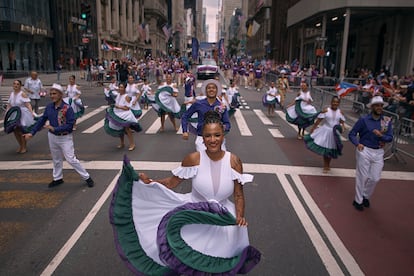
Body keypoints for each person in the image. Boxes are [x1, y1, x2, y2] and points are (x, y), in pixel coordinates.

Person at [110, 110, 261, 275]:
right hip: (194, 221)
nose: (212, 140)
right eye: (208, 136)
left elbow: (238, 194)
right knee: (193, 265)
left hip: (224, 222)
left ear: (223, 135)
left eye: (217, 135)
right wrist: (150, 182)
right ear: (202, 137)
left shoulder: (234, 161)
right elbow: (172, 182)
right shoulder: (193, 159)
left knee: (221, 265)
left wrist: (239, 216)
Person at [23, 83, 94, 188]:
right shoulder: (49, 107)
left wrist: (55, 128)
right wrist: (32, 133)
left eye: (54, 93)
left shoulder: (67, 108)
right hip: (52, 137)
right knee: (56, 159)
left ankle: (87, 177)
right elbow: (42, 120)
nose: (52, 96)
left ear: (60, 95)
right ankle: (57, 178)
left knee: (71, 159)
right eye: (51, 94)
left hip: (65, 137)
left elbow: (70, 125)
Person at [348, 96, 393, 211]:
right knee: (362, 176)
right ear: (372, 107)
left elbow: (390, 137)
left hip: (378, 152)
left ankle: (365, 195)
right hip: (364, 150)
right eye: (377, 105)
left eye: (381, 106)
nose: (379, 108)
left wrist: (381, 136)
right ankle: (358, 200)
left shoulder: (386, 121)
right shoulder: (364, 120)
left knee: (375, 178)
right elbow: (352, 133)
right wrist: (357, 143)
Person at [181, 79, 230, 151]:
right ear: (205, 90)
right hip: (202, 138)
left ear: (217, 91)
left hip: (217, 139)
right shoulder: (198, 104)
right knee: (203, 160)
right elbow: (185, 116)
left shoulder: (221, 106)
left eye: (213, 88)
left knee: (222, 160)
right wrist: (185, 131)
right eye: (209, 88)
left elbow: (227, 123)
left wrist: (224, 127)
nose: (211, 90)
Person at [304, 96, 346, 173]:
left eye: (337, 102)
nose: (335, 103)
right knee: (326, 148)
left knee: (331, 149)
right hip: (325, 131)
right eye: (334, 102)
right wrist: (313, 129)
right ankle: (326, 165)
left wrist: (343, 127)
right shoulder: (326, 111)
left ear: (339, 103)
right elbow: (319, 120)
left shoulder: (340, 112)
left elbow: (342, 122)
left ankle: (328, 164)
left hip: (334, 133)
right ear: (331, 102)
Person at [104, 83, 141, 151]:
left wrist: (118, 106)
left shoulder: (126, 96)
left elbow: (127, 108)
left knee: (127, 129)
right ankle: (122, 143)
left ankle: (132, 144)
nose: (120, 89)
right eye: (119, 87)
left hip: (125, 115)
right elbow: (114, 100)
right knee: (120, 128)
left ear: (124, 89)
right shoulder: (118, 95)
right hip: (118, 113)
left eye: (122, 87)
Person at [4, 80, 35, 153]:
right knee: (15, 130)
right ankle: (20, 145)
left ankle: (24, 147)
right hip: (14, 114)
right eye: (14, 84)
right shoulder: (11, 94)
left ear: (20, 86)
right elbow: (9, 105)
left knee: (21, 131)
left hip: (22, 113)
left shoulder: (22, 94)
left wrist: (31, 113)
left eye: (17, 84)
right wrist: (7, 113)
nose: (15, 85)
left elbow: (28, 104)